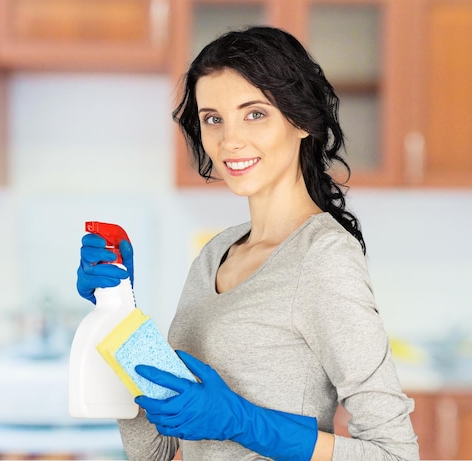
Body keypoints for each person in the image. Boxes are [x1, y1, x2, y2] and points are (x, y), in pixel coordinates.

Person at [76, 26, 419, 461]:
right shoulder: (215, 253)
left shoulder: (322, 258)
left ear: (300, 121)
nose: (229, 140)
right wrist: (117, 309)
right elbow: (156, 451)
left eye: (254, 113)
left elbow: (395, 454)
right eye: (213, 118)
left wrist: (243, 421)